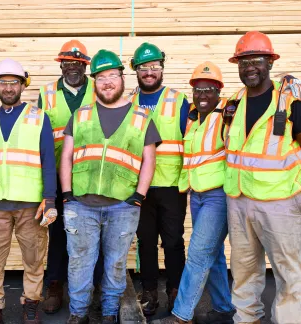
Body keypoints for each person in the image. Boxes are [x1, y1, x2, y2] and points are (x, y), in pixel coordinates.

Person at [224, 31, 301, 324]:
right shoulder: (233, 103)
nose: (249, 67)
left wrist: (291, 181)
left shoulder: (293, 103)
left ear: (269, 62)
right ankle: (247, 318)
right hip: (240, 201)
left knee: (287, 270)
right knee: (243, 268)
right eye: (243, 61)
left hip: (280, 203)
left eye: (256, 59)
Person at [60, 49, 161, 324]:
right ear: (94, 81)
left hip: (122, 206)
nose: (107, 82)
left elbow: (149, 160)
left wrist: (138, 197)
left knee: (116, 264)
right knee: (80, 263)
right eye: (101, 77)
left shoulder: (141, 117)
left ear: (122, 78)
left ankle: (108, 313)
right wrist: (68, 196)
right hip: (82, 205)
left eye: (113, 76)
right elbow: (66, 156)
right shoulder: (80, 115)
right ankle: (78, 314)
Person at [155, 62, 235, 324]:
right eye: (198, 90)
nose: (202, 95)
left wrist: (289, 83)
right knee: (214, 256)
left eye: (209, 90)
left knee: (199, 254)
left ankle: (181, 315)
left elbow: (256, 93)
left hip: (219, 195)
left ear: (219, 91)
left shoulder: (230, 113)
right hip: (197, 195)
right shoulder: (191, 116)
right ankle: (223, 309)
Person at [0, 58, 57, 324]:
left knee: (34, 257)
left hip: (30, 202)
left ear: (23, 85)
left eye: (14, 82)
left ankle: (31, 304)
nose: (9, 87)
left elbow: (49, 160)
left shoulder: (38, 118)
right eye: (3, 82)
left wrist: (49, 199)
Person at [37, 40, 103, 314]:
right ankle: (55, 284)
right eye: (68, 62)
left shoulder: (98, 89)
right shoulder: (47, 93)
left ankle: (97, 286)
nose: (73, 67)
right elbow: (40, 136)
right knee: (58, 231)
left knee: (95, 232)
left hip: (91, 174)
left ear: (85, 66)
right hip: (56, 174)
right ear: (61, 65)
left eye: (78, 63)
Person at [128, 42, 189, 315]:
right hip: (139, 186)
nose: (150, 72)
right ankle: (149, 292)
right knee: (146, 241)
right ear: (135, 71)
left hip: (172, 184)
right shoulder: (127, 102)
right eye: (144, 67)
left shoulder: (179, 101)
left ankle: (175, 291)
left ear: (162, 68)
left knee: (174, 241)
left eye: (155, 67)